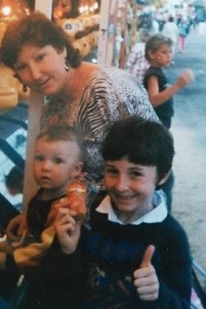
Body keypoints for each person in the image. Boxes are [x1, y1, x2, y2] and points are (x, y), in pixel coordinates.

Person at [0, 12, 159, 235]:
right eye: (22, 67)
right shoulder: (51, 112)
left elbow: (155, 159)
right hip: (87, 233)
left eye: (40, 57)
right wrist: (34, 215)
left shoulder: (111, 89)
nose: (34, 74)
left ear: (62, 49)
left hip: (131, 226)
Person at [58, 116, 193, 309]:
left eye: (136, 173)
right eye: (112, 171)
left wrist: (158, 294)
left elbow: (182, 304)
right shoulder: (88, 215)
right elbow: (64, 290)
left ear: (162, 176)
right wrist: (67, 252)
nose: (121, 186)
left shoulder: (171, 237)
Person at [0, 126, 86, 309]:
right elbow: (35, 228)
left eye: (57, 161)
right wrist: (18, 240)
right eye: (40, 158)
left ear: (76, 169)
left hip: (54, 289)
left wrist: (9, 261)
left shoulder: (65, 210)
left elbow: (44, 251)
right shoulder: (44, 193)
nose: (45, 167)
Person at [143, 34, 194, 129]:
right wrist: (177, 86)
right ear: (152, 54)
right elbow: (154, 100)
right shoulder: (153, 75)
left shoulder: (157, 72)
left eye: (170, 52)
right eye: (164, 52)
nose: (169, 56)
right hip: (157, 123)